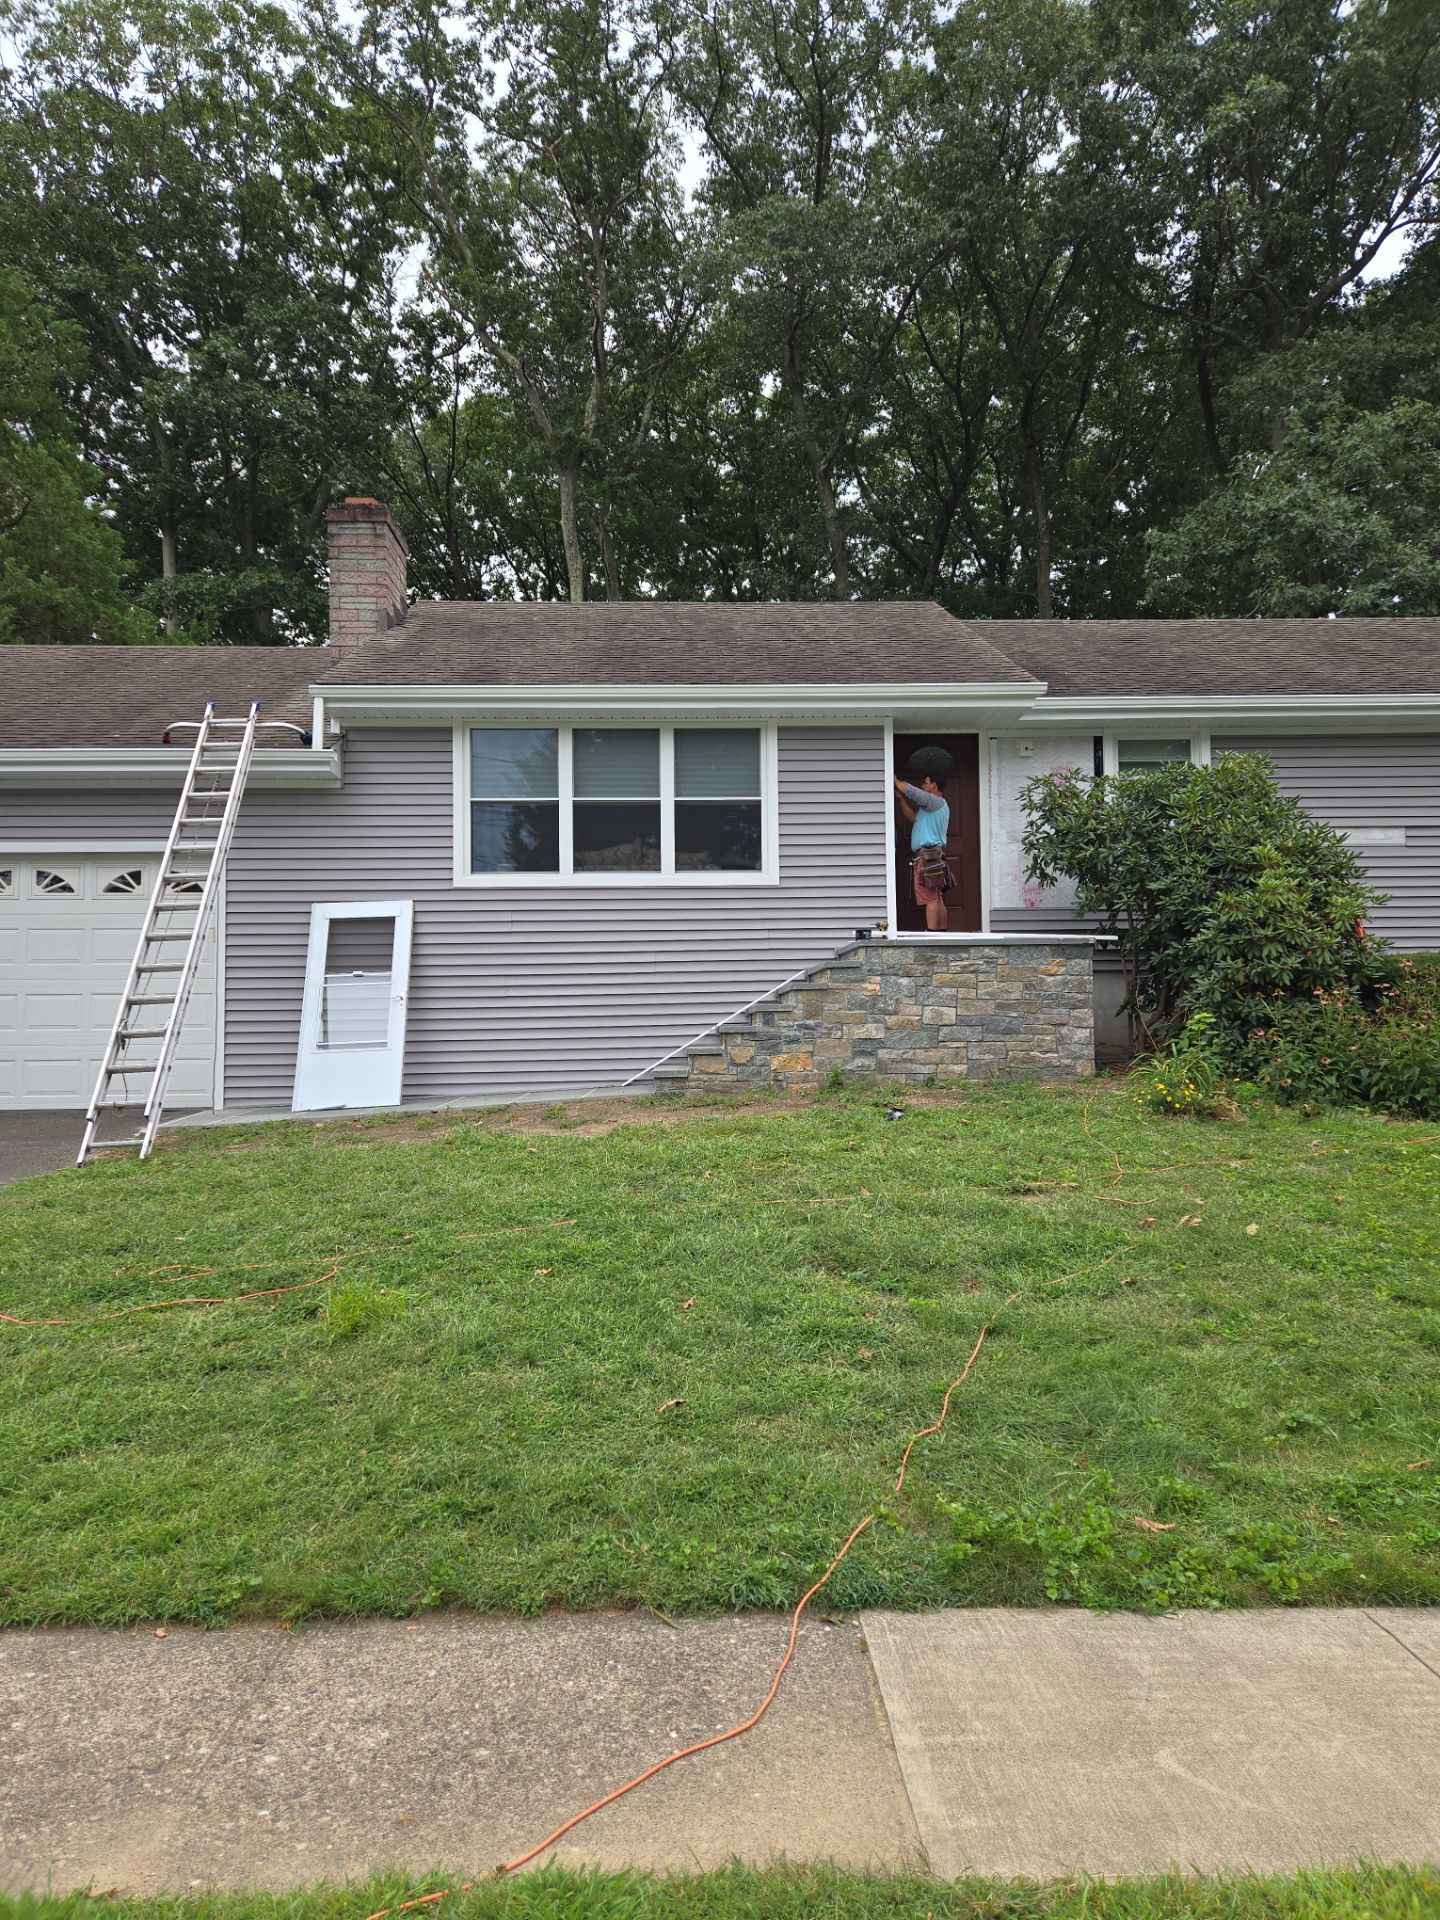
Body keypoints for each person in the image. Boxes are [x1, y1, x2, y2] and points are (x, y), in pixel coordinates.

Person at [894, 772, 950, 931]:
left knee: (930, 898)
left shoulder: (932, 801)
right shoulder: (938, 806)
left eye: (925, 783)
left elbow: (910, 789)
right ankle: (941, 934)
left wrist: (896, 780)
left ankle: (932, 935)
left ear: (934, 785)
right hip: (935, 856)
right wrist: (901, 800)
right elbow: (913, 817)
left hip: (927, 856)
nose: (923, 786)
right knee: (937, 898)